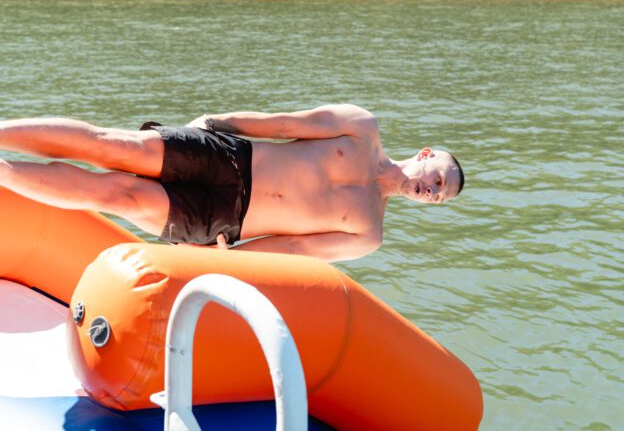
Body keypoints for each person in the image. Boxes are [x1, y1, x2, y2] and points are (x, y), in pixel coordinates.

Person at [0, 104, 464, 262]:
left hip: (224, 222)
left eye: (439, 197)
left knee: (117, 195)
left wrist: (225, 258)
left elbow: (294, 251)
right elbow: (283, 125)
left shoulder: (369, 234)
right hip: (230, 158)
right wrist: (218, 120)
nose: (433, 190)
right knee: (115, 146)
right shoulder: (362, 128)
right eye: (438, 178)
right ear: (425, 156)